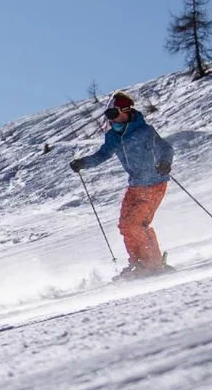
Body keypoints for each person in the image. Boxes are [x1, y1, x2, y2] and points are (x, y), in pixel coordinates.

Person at [70, 91, 175, 276]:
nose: (111, 120)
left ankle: (153, 265)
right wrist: (83, 163)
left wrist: (165, 162)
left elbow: (165, 147)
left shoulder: (144, 131)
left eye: (112, 114)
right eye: (108, 116)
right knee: (125, 225)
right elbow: (102, 155)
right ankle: (138, 263)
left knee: (136, 223)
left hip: (154, 184)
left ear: (125, 111)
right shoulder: (113, 137)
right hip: (135, 186)